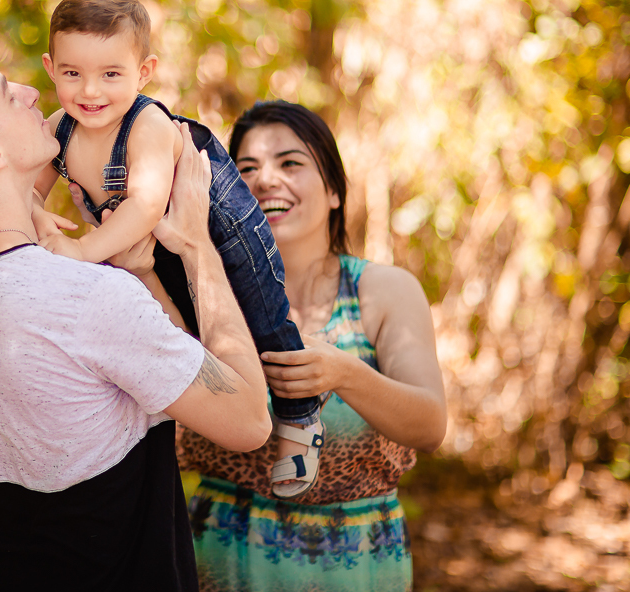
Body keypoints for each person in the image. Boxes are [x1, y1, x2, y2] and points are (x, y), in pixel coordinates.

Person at [0, 52, 272, 592]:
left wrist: (144, 278)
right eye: (5, 93)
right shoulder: (85, 297)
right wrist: (199, 247)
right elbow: (248, 421)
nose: (30, 91)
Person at [32, 0, 324, 496]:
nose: (90, 91)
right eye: (73, 73)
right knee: (186, 331)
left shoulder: (145, 123)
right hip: (154, 245)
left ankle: (301, 418)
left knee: (262, 317)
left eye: (111, 74)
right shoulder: (59, 129)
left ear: (144, 73)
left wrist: (81, 251)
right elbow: (25, 191)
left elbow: (145, 204)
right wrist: (36, 217)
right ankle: (218, 415)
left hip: (223, 230)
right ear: (51, 68)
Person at [180, 100, 447, 592]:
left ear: (333, 192)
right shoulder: (206, 292)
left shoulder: (383, 291)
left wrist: (346, 374)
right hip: (221, 560)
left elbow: (430, 427)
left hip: (357, 564)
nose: (265, 181)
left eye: (290, 163)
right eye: (246, 170)